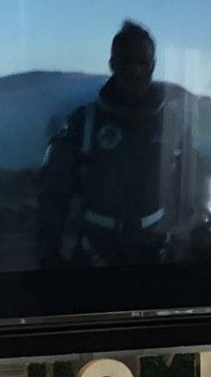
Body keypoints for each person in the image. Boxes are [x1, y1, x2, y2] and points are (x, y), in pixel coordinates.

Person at [35, 21, 198, 268]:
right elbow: (53, 195)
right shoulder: (84, 123)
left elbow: (187, 193)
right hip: (94, 259)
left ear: (153, 66)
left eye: (142, 62)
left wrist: (185, 243)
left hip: (156, 256)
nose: (135, 71)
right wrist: (49, 257)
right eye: (126, 61)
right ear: (112, 64)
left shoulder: (173, 126)